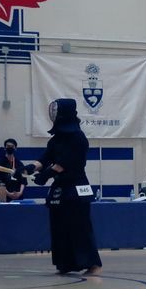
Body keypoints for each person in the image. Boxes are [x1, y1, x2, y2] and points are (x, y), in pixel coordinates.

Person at [24, 99, 102, 275]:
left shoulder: (78, 138)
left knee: (79, 227)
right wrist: (30, 167)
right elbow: (45, 158)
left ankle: (92, 263)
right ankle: (65, 263)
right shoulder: (56, 140)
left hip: (76, 187)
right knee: (59, 226)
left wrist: (45, 175)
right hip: (60, 189)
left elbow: (64, 163)